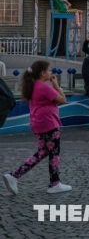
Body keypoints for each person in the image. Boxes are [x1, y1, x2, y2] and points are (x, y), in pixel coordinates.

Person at [2, 60, 71, 195]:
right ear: (43, 73)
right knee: (54, 153)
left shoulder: (32, 86)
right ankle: (55, 183)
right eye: (49, 70)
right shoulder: (44, 87)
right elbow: (63, 99)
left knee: (43, 151)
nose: (51, 73)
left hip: (37, 123)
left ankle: (14, 175)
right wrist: (55, 84)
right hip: (49, 123)